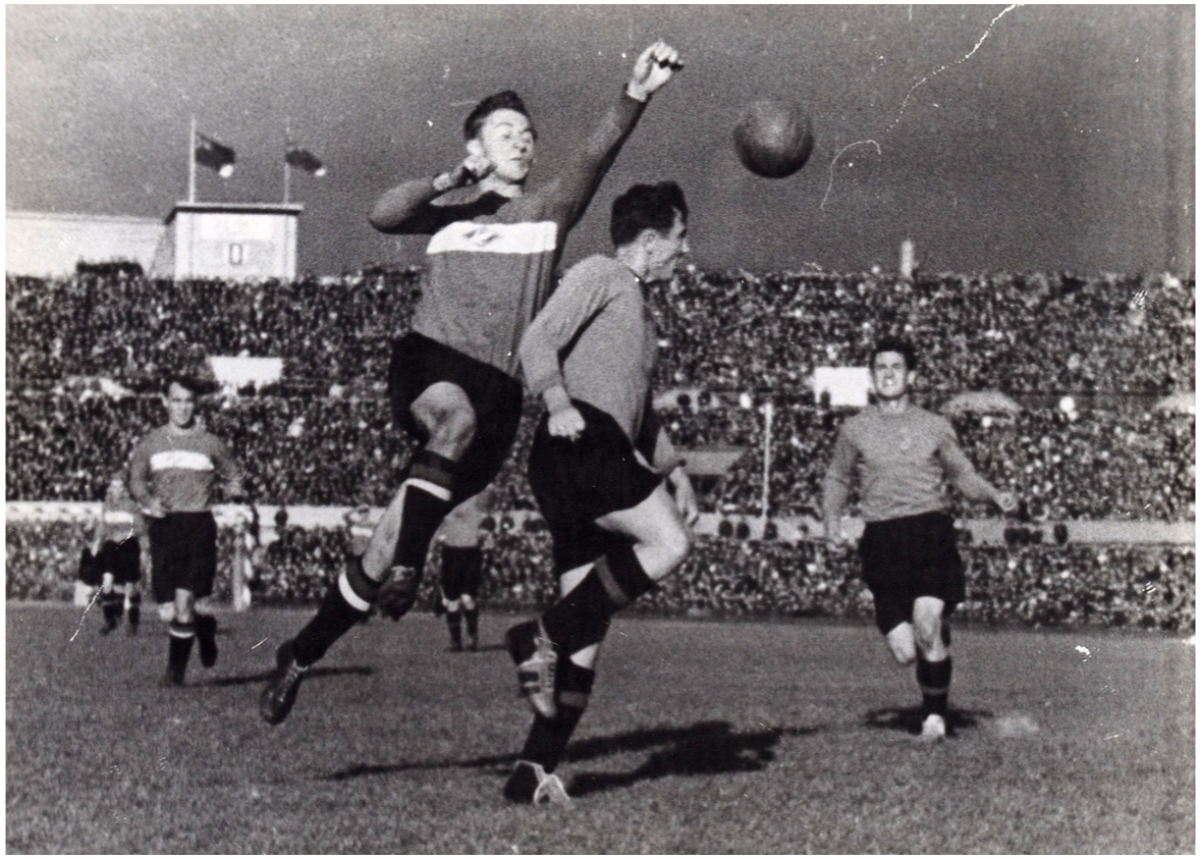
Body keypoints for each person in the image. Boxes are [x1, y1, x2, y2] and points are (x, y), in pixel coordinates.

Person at [260, 40, 682, 725]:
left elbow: (595, 155)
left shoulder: (548, 211)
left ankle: (300, 654)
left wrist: (636, 92)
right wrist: (452, 177)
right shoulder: (450, 210)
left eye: (527, 132)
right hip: (433, 362)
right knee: (449, 425)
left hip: (500, 397)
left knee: (378, 551)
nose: (522, 140)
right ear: (477, 145)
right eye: (505, 131)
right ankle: (412, 564)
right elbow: (383, 214)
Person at [502, 181, 699, 804]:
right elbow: (537, 338)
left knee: (585, 639)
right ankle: (537, 634)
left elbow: (640, 413)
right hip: (580, 441)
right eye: (680, 236)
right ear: (650, 240)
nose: (685, 249)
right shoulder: (601, 274)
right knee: (670, 543)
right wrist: (557, 399)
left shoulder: (637, 307)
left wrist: (674, 470)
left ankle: (532, 771)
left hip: (594, 447)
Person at [822, 337, 1017, 741]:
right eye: (881, 367)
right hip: (881, 539)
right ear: (872, 377)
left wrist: (994, 495)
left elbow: (962, 474)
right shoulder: (854, 429)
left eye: (896, 367)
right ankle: (934, 641)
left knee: (927, 626)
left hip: (929, 532)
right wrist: (831, 522)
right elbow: (838, 478)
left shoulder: (934, 425)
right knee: (905, 652)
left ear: (911, 376)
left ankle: (934, 718)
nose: (888, 374)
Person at [128, 375, 248, 686]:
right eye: (176, 400)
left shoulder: (210, 443)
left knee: (183, 603)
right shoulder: (150, 442)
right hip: (164, 527)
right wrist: (148, 500)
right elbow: (136, 480)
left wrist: (234, 489)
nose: (182, 407)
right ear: (165, 402)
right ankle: (205, 627)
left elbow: (234, 473)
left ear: (196, 404)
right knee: (168, 611)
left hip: (198, 526)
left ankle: (174, 674)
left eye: (189, 401)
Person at [77, 474, 146, 635]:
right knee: (107, 581)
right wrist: (96, 543)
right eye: (114, 486)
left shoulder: (132, 506)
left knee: (130, 587)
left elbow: (140, 529)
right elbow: (102, 527)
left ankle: (133, 621)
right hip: (111, 546)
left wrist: (143, 550)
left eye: (119, 487)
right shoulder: (106, 506)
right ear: (110, 489)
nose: (116, 490)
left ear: (124, 490)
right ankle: (110, 621)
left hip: (129, 545)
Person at [436, 490, 495, 652]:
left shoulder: (477, 497)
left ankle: (472, 637)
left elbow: (489, 517)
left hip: (470, 553)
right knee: (451, 600)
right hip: (449, 552)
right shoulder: (447, 498)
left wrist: (486, 534)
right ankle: (456, 642)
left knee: (468, 598)